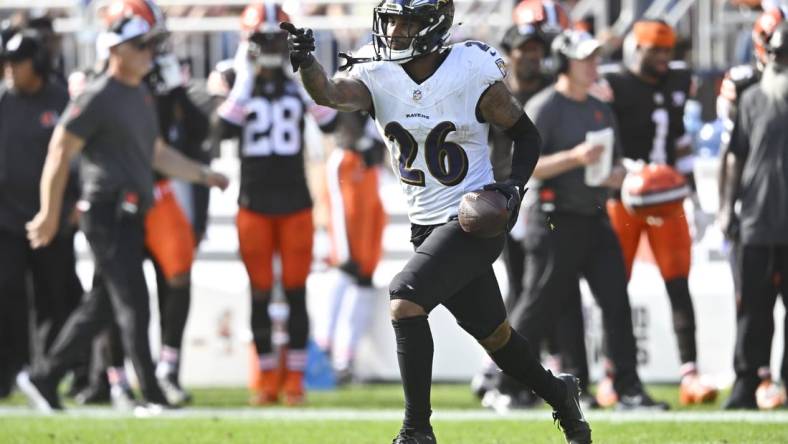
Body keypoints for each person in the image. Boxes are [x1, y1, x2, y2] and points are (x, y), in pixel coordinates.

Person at [282, 0, 591, 442]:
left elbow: (526, 134)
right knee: (497, 338)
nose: (393, 32)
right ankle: (560, 394)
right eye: (390, 22)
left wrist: (514, 187)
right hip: (425, 225)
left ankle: (416, 431)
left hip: (473, 220)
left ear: (431, 26)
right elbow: (328, 94)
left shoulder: (468, 69)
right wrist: (308, 63)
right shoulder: (377, 72)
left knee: (405, 298)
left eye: (404, 23)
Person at [16, 0, 228, 412]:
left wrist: (205, 175)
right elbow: (59, 151)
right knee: (133, 302)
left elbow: (157, 153)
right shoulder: (99, 94)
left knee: (104, 305)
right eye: (140, 45)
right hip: (106, 210)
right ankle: (149, 394)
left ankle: (43, 377)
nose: (149, 52)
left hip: (131, 210)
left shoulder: (139, 94)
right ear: (115, 48)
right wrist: (48, 211)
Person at [501, 28, 667, 412]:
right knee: (539, 305)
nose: (594, 65)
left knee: (616, 301)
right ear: (565, 63)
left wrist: (621, 174)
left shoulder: (599, 107)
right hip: (555, 220)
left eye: (595, 57)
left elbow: (617, 161)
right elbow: (526, 167)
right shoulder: (545, 106)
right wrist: (575, 158)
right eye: (586, 59)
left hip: (594, 216)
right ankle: (505, 382)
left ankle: (627, 387)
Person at [213, 2, 338, 406]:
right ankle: (266, 379)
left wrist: (303, 73)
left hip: (295, 203)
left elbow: (330, 120)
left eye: (276, 38)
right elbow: (222, 130)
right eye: (262, 38)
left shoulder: (297, 81)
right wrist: (246, 76)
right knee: (260, 293)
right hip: (253, 203)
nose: (269, 46)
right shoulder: (236, 79)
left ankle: (294, 381)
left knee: (297, 292)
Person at [598, 19, 717, 406]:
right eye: (656, 50)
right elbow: (599, 138)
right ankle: (611, 374)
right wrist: (629, 171)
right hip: (624, 197)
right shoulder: (612, 85)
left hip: (668, 199)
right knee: (614, 290)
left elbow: (681, 141)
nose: (664, 58)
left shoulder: (679, 80)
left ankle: (690, 374)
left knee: (679, 284)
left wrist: (695, 199)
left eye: (668, 50)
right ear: (636, 49)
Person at [478, 20, 590, 412]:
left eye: (536, 49)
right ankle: (504, 373)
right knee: (520, 289)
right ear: (509, 53)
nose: (531, 55)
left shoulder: (547, 93)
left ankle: (535, 371)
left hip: (543, 200)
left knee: (545, 289)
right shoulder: (492, 91)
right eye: (523, 49)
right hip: (502, 201)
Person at [0, 29, 80, 399]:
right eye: (9, 62)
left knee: (53, 298)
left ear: (39, 63)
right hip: (6, 221)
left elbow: (79, 156)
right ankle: (5, 375)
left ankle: (42, 375)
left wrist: (74, 206)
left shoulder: (62, 99)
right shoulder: (3, 101)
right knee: (7, 294)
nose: (12, 69)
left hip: (53, 221)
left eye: (19, 62)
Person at [717, 6, 788, 409]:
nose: (780, 61)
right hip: (757, 220)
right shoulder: (751, 99)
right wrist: (726, 210)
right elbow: (733, 157)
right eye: (777, 53)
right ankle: (746, 382)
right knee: (752, 309)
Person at [315, 110, 387, 384]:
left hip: (370, 193)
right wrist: (342, 250)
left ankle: (345, 358)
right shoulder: (340, 160)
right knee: (344, 270)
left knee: (365, 280)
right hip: (350, 175)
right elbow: (337, 210)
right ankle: (322, 347)